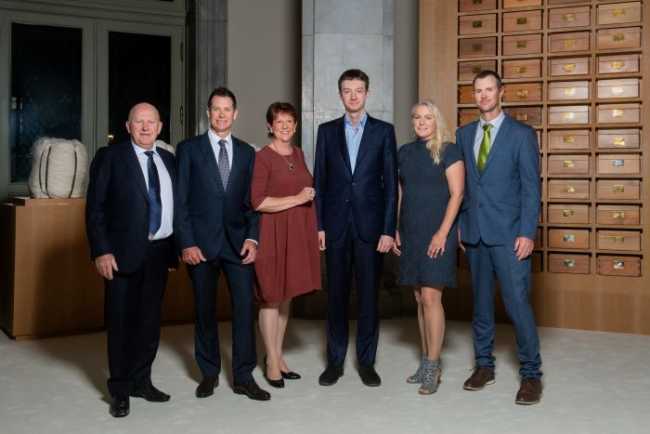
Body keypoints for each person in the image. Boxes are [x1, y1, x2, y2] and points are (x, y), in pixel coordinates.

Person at [174, 87, 270, 401]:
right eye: (216, 109)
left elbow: (252, 202)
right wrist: (187, 243)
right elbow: (180, 201)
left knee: (244, 310)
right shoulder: (189, 149)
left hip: (238, 245)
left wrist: (253, 238)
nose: (221, 114)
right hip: (200, 246)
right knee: (204, 311)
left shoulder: (247, 152)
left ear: (235, 113)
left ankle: (243, 376)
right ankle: (209, 373)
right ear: (208, 112)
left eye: (227, 109)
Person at [457, 70, 543, 405]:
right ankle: (484, 366)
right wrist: (461, 225)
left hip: (510, 235)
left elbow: (531, 188)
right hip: (475, 233)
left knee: (517, 304)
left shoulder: (522, 135)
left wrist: (527, 232)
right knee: (480, 305)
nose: (483, 96)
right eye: (478, 90)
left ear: (501, 92)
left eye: (489, 89)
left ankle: (531, 374)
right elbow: (462, 187)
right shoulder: (464, 134)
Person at [86, 102, 177, 417]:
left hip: (159, 253)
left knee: (149, 322)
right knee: (121, 324)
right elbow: (95, 208)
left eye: (151, 122)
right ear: (128, 126)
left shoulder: (168, 159)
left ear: (160, 127)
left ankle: (142, 381)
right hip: (121, 255)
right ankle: (120, 390)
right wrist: (101, 250)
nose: (145, 127)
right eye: (139, 121)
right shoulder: (110, 157)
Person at [314, 69, 398, 387]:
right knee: (335, 297)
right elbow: (320, 182)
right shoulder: (326, 132)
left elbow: (391, 185)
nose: (353, 96)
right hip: (335, 227)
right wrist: (319, 225)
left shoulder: (383, 132)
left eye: (358, 90)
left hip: (371, 229)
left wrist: (388, 229)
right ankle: (334, 363)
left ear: (367, 93)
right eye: (347, 90)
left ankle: (366, 363)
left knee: (368, 298)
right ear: (340, 95)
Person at [392, 101, 464, 395]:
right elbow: (401, 191)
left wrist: (442, 233)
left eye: (428, 117)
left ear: (437, 121)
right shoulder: (405, 152)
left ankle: (434, 366)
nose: (422, 122)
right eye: (417, 117)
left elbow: (457, 194)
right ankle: (425, 361)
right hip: (411, 231)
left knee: (432, 297)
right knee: (420, 297)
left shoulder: (449, 150)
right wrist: (395, 227)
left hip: (438, 232)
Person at [250, 102, 321, 388]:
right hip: (272, 233)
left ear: (295, 126)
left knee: (287, 295)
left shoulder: (299, 154)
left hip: (297, 232)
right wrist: (298, 199)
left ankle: (278, 356)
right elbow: (258, 202)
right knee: (271, 296)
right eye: (279, 122)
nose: (284, 127)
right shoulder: (262, 158)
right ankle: (270, 360)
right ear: (270, 126)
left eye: (289, 122)